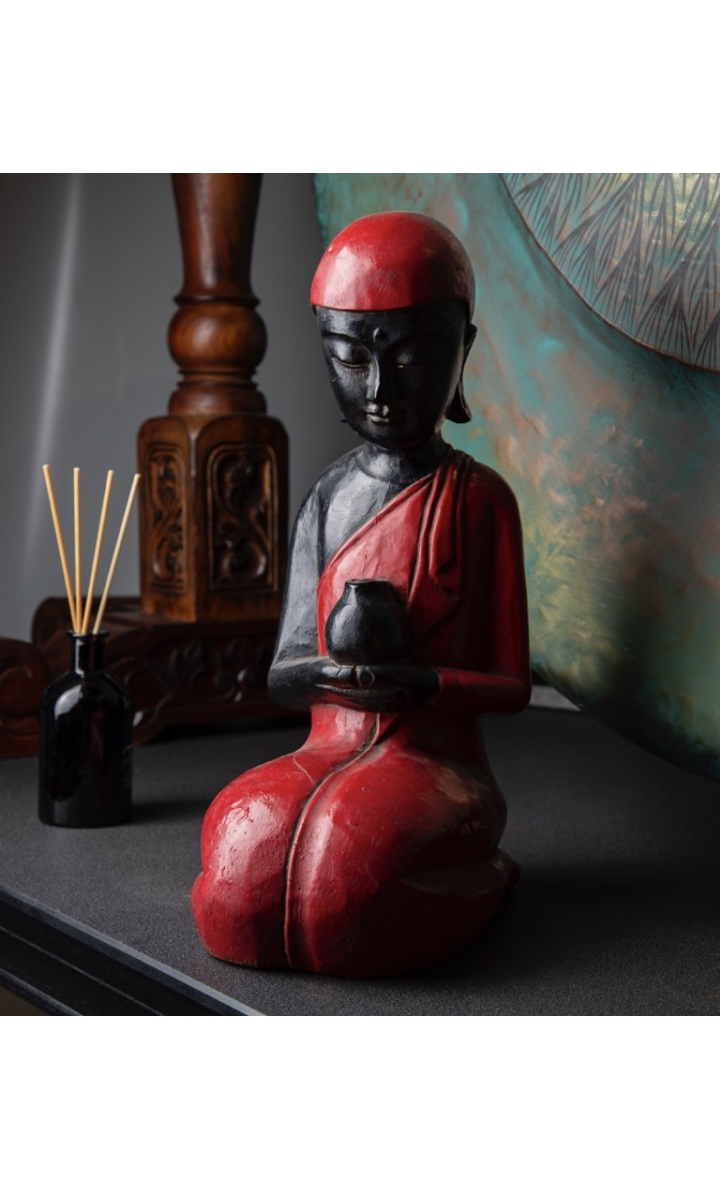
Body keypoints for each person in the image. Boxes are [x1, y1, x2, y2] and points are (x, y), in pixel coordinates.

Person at [191, 212, 531, 976]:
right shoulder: (327, 499)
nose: (380, 390)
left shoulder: (479, 499)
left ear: (463, 351)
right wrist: (326, 674)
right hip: (325, 747)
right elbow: (283, 673)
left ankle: (485, 877)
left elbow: (510, 685)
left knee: (349, 865)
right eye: (351, 358)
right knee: (244, 854)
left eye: (413, 358)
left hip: (437, 764)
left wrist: (419, 684)